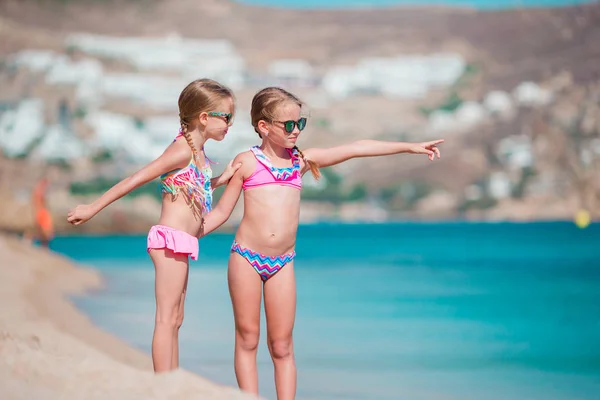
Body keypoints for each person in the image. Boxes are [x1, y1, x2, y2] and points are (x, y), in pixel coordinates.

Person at [200, 87, 444, 399]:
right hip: (246, 258)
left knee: (282, 346)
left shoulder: (301, 161)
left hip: (282, 263)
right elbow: (221, 212)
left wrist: (410, 147)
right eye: (288, 125)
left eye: (300, 123)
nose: (296, 130)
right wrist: (187, 234)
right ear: (264, 126)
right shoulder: (247, 162)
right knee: (248, 338)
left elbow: (356, 148)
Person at [67, 78, 241, 373]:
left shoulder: (199, 155)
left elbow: (194, 190)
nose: (229, 124)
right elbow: (135, 179)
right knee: (166, 317)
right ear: (203, 118)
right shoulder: (180, 151)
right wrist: (93, 208)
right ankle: (164, 385)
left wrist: (221, 180)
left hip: (184, 241)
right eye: (225, 117)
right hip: (169, 240)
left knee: (176, 317)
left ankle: (172, 378)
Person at [32, 177, 55, 248]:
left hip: (41, 211)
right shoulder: (39, 192)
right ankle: (43, 245)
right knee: (45, 230)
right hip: (41, 211)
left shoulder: (38, 192)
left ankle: (43, 245)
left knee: (43, 230)